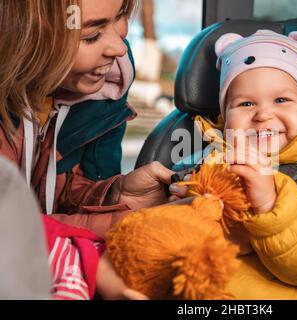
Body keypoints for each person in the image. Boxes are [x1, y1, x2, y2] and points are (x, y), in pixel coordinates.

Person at [170, 30, 297, 299]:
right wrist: (190, 200)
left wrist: (270, 204)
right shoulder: (214, 156)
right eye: (245, 103)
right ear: (225, 116)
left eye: (281, 100)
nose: (263, 114)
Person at [0, 0, 175, 238]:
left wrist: (118, 194)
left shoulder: (102, 97)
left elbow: (63, 196)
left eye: (120, 15)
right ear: (26, 36)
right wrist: (122, 224)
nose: (120, 48)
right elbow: (9, 232)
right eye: (92, 35)